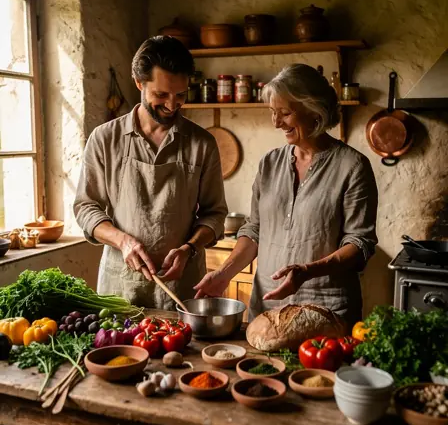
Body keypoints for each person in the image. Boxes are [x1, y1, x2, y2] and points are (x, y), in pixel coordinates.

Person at [195, 64, 378, 328]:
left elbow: (360, 243)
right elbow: (254, 230)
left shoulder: (352, 166)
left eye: (285, 113)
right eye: (273, 112)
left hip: (326, 310)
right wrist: (224, 273)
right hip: (269, 309)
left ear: (315, 111)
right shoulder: (269, 163)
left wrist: (307, 272)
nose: (276, 122)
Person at [74, 36, 227, 309]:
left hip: (183, 284)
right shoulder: (105, 139)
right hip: (120, 285)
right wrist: (122, 241)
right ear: (138, 83)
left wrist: (189, 248)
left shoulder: (201, 143)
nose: (172, 105)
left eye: (180, 95)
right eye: (161, 94)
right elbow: (86, 207)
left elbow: (214, 213)